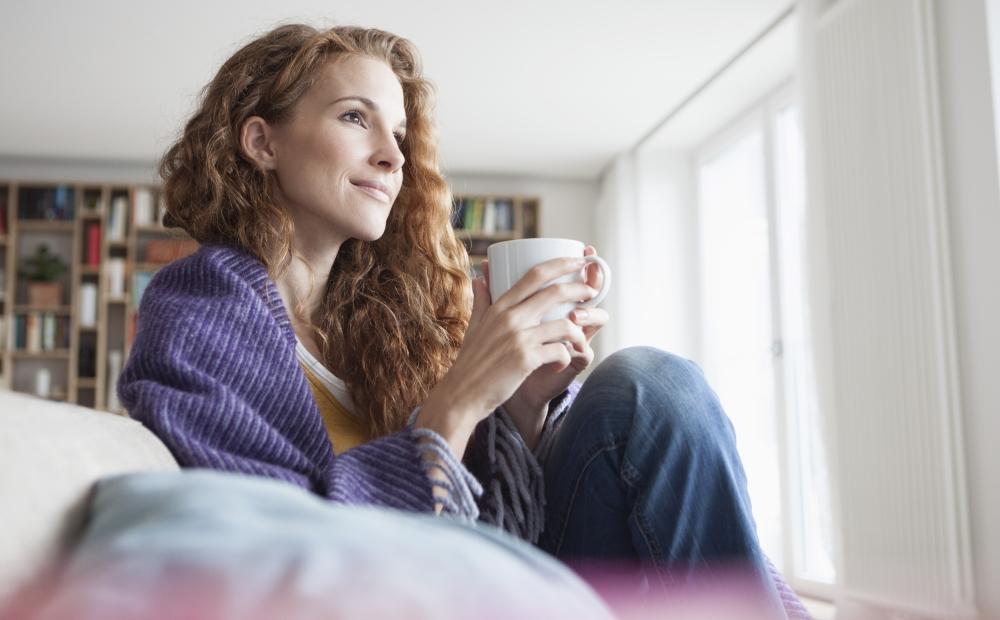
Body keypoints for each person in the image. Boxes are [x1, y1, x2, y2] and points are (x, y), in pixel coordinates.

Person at [119, 23, 809, 618]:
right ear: (262, 142)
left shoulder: (384, 318)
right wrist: (459, 400)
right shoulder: (201, 308)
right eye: (355, 118)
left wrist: (525, 403)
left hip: (501, 575)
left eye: (398, 131)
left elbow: (509, 522)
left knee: (648, 384)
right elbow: (276, 551)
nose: (392, 155)